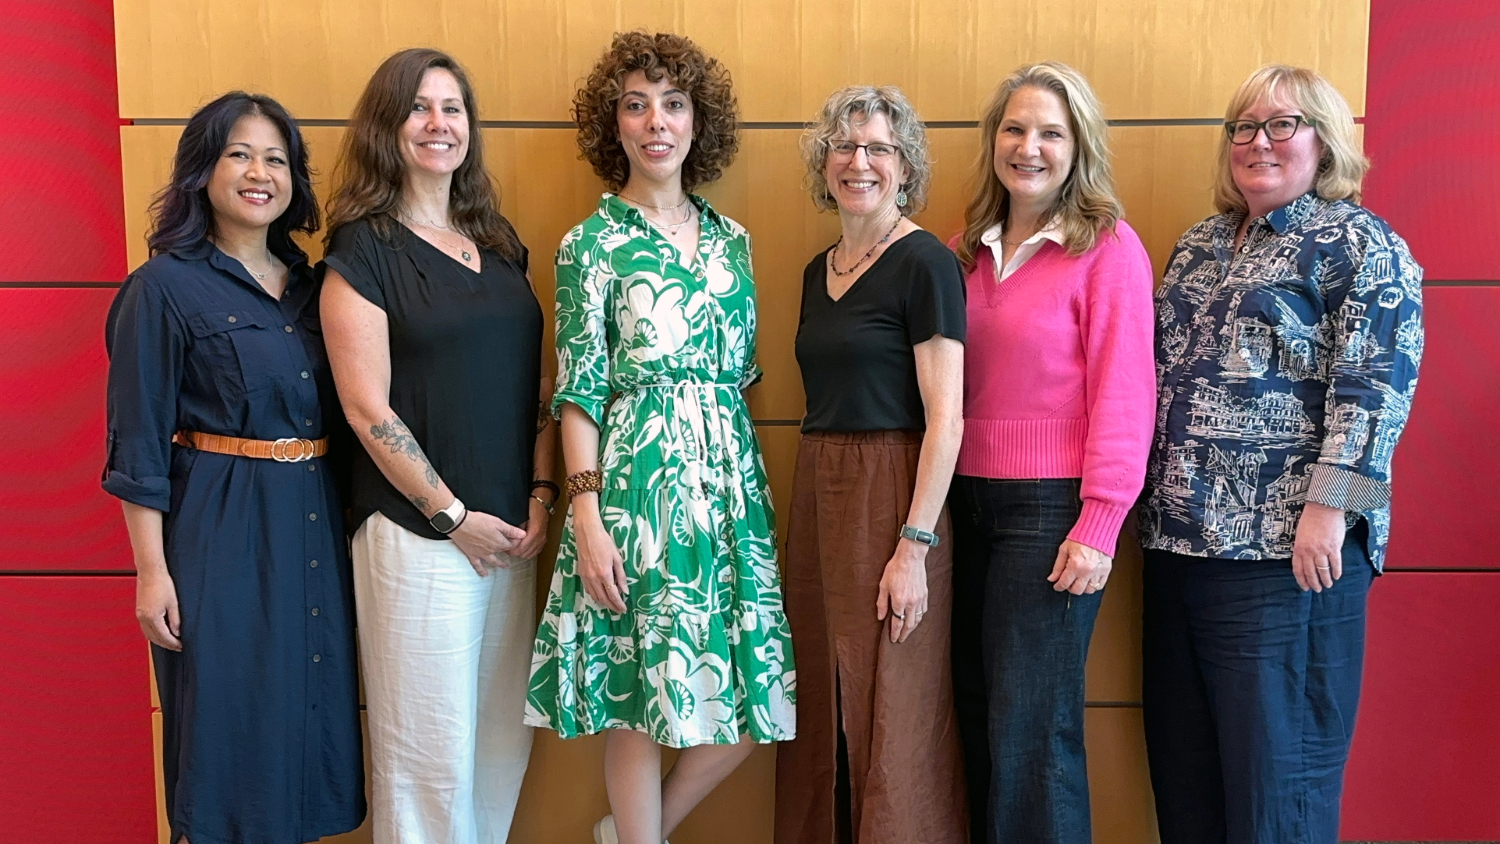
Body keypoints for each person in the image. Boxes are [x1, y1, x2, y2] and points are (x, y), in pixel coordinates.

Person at [1139, 64, 1424, 844]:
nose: (1257, 141)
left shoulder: (1359, 242)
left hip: (1286, 562)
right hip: (1177, 549)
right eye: (1243, 126)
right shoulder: (1200, 243)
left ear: (1324, 140)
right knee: (1187, 784)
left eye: (1281, 124)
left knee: (1279, 794)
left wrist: (1330, 511)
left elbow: (1378, 386)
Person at [523, 31, 796, 844]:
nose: (656, 122)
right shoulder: (590, 244)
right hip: (633, 486)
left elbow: (740, 380)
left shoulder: (733, 241)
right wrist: (587, 513)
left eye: (673, 104)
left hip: (727, 491)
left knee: (758, 695)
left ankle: (631, 832)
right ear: (614, 125)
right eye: (636, 105)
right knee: (636, 695)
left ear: (696, 121)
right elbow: (578, 391)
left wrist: (739, 498)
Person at [103, 91, 365, 844]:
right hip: (219, 530)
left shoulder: (319, 288)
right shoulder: (161, 288)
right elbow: (139, 443)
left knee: (307, 714)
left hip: (314, 523)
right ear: (203, 171)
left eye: (276, 159)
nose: (260, 173)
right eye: (239, 154)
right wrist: (151, 573)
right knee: (227, 729)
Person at [319, 48, 555, 843]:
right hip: (419, 536)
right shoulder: (363, 250)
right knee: (427, 762)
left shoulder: (499, 245)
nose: (438, 123)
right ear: (388, 127)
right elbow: (365, 408)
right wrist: (454, 517)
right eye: (419, 107)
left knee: (497, 749)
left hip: (509, 538)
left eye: (452, 108)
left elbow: (537, 395)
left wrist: (541, 497)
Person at [946, 61, 1157, 844]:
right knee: (972, 709)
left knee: (1033, 727)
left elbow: (1127, 393)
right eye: (1014, 128)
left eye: (1050, 133)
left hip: (1051, 509)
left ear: (1078, 148)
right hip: (962, 504)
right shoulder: (963, 249)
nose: (1028, 147)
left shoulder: (1107, 248)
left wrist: (1100, 522)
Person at [774, 85, 966, 844]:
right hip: (818, 487)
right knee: (821, 703)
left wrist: (914, 546)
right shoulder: (815, 270)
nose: (859, 162)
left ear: (905, 166)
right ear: (824, 162)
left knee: (893, 705)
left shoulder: (925, 264)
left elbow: (946, 419)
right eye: (845, 146)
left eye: (879, 148)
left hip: (894, 490)